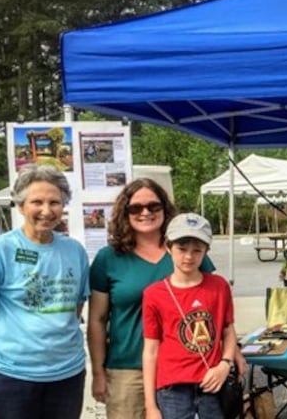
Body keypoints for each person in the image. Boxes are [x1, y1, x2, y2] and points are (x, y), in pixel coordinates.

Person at [87, 178, 222, 419]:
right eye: (136, 208)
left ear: (165, 209)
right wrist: (98, 372)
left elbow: (213, 308)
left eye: (153, 206)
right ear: (124, 212)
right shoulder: (108, 259)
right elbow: (97, 320)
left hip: (184, 369)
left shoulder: (185, 251)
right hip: (128, 369)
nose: (145, 212)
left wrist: (230, 358)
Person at [0, 164, 90, 419]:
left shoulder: (74, 251)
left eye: (55, 202)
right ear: (21, 206)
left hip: (67, 373)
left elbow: (76, 307)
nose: (46, 211)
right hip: (10, 375)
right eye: (37, 202)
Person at [142, 213, 238, 419]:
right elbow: (151, 349)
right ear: (168, 248)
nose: (189, 256)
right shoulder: (154, 294)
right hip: (172, 389)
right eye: (182, 249)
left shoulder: (219, 286)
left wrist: (225, 363)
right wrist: (151, 405)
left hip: (212, 383)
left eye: (197, 250)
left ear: (206, 251)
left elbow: (228, 330)